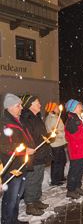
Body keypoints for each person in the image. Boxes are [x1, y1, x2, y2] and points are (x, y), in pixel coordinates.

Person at [0, 93, 35, 224]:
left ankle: (13, 219)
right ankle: (7, 221)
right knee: (11, 197)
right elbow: (4, 146)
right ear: (9, 107)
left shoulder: (17, 120)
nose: (21, 107)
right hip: (12, 167)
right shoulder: (5, 124)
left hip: (21, 164)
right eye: (18, 105)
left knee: (17, 196)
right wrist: (25, 150)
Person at [20, 95, 51, 216]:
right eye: (38, 102)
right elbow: (28, 137)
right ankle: (30, 204)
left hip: (41, 152)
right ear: (30, 104)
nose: (40, 104)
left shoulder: (37, 117)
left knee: (38, 178)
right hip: (34, 153)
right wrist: (39, 141)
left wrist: (47, 136)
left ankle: (36, 200)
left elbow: (40, 133)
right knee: (32, 180)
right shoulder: (26, 118)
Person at [65, 99, 83, 199]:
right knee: (74, 170)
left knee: (80, 169)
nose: (81, 107)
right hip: (75, 149)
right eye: (79, 106)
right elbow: (75, 136)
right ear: (73, 108)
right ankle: (70, 189)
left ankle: (77, 186)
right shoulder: (71, 120)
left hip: (80, 148)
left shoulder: (77, 118)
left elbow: (82, 131)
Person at [45, 102, 67, 186]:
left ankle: (60, 176)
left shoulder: (56, 117)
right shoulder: (51, 119)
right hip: (55, 143)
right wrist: (63, 134)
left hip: (60, 142)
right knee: (57, 162)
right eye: (56, 107)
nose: (58, 108)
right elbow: (53, 132)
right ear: (52, 109)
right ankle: (55, 180)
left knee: (62, 160)